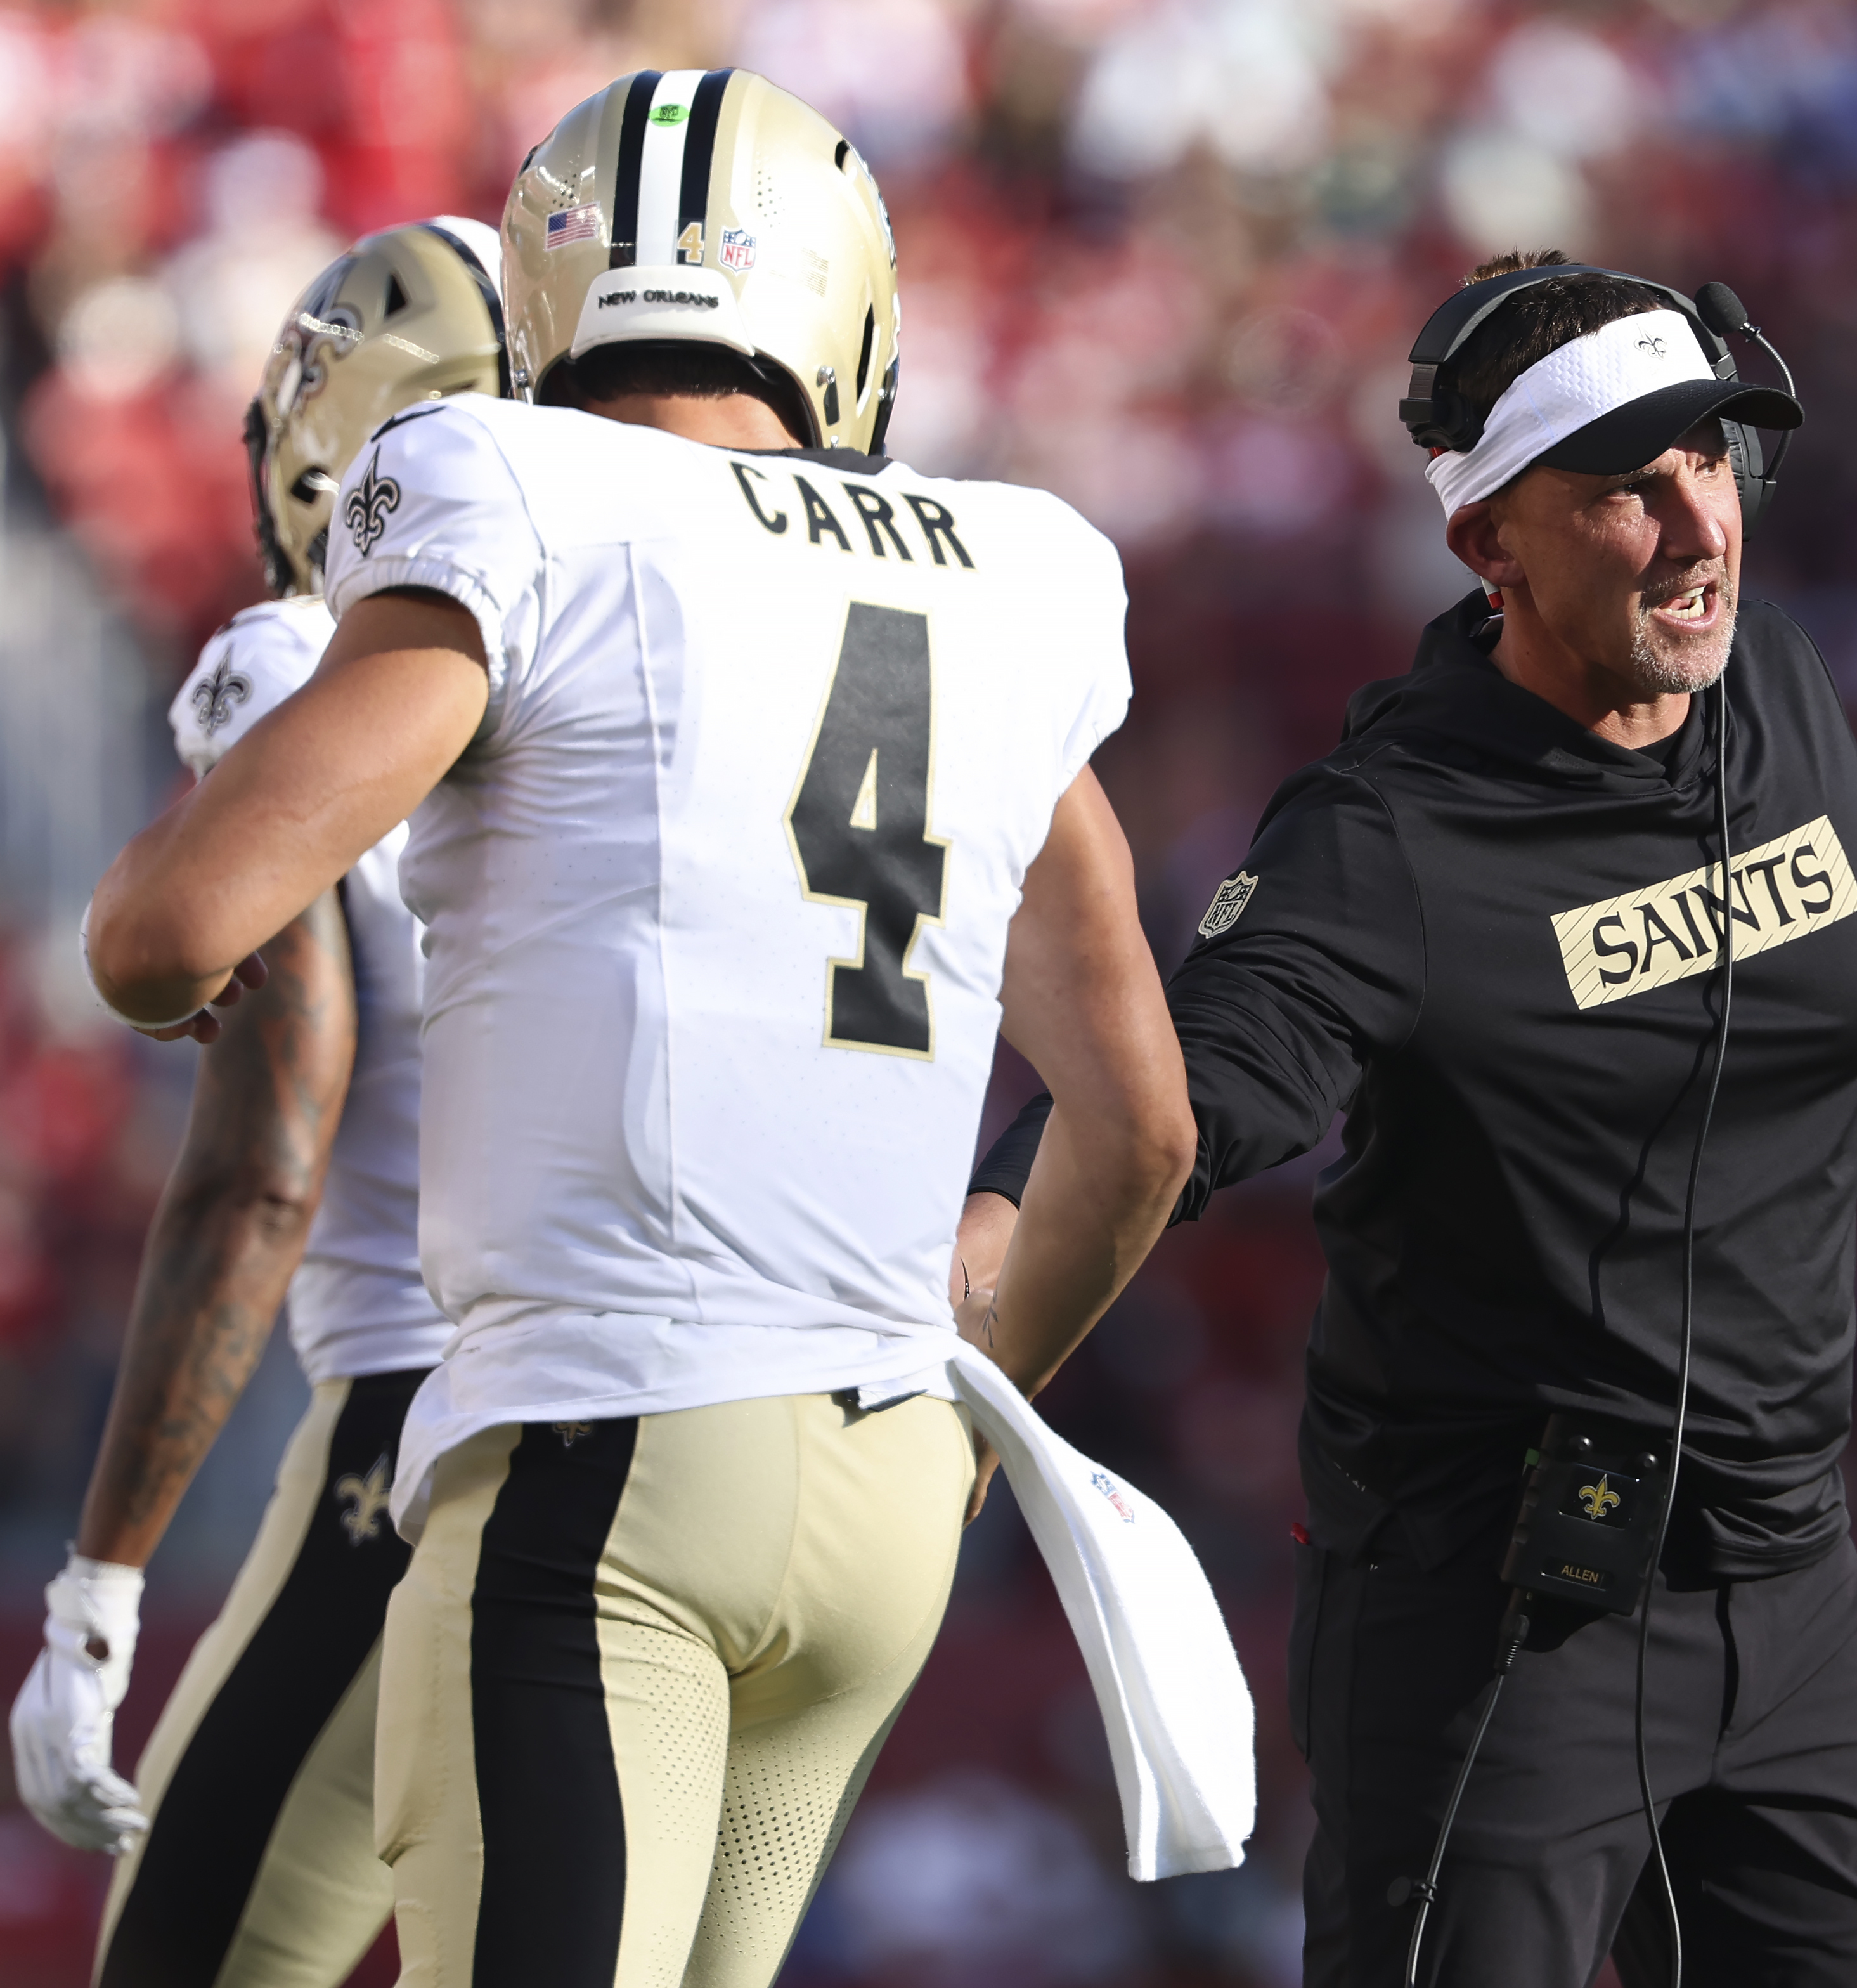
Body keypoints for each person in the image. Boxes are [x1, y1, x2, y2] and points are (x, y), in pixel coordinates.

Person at [960, 251, 1857, 1988]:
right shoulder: (1386, 830)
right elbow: (1196, 1086)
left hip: (1789, 1593)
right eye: (1630, 487)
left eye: (1711, 461)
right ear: (1491, 544)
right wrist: (990, 1227)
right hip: (1503, 1626)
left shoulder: (1775, 689)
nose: (1698, 522)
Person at [81, 70, 1199, 1986]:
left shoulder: (524, 489)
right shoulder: (1006, 570)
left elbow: (170, 924)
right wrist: (944, 1417)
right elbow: (1141, 1129)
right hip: (882, 1505)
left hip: (609, 1467)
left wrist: (169, 977)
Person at [7, 219, 503, 1988]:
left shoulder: (303, 664)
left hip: (438, 1413)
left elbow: (266, 1158)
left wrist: (104, 1581)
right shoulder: (686, 647)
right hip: (738, 1412)